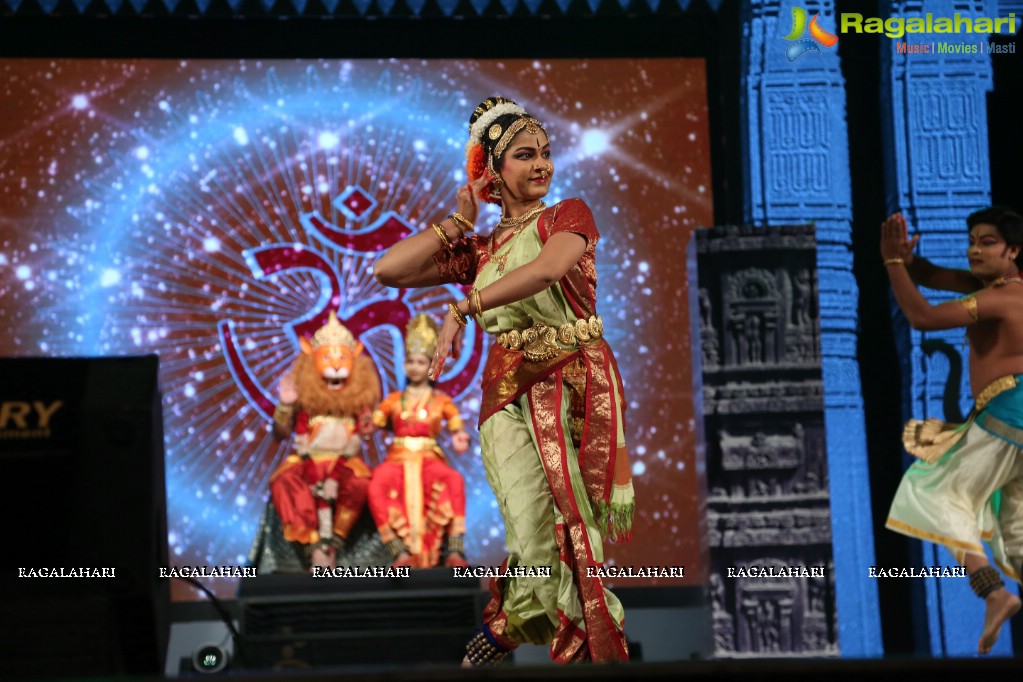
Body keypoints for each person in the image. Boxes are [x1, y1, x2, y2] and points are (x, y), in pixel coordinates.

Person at [374, 96, 635, 665]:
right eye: (524, 155)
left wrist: (464, 307)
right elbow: (387, 270)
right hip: (506, 395)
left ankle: (595, 651)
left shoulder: (567, 215)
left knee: (574, 526)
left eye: (545, 153)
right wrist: (457, 222)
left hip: (570, 383)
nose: (542, 164)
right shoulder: (482, 248)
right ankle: (518, 619)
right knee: (530, 532)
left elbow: (546, 269)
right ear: (493, 171)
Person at [881, 207, 1023, 654]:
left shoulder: (1004, 299)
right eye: (973, 240)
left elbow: (922, 316)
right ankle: (999, 589)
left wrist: (890, 262)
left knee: (932, 492)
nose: (974, 250)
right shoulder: (996, 288)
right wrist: (908, 260)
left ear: (1014, 250)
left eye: (987, 243)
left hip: (1010, 412)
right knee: (1016, 532)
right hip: (1009, 417)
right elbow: (935, 276)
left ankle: (994, 593)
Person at [270, 311, 381, 570]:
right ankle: (312, 546)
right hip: (307, 460)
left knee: (361, 481)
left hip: (344, 464)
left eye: (342, 358)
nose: (336, 365)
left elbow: (365, 431)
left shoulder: (357, 400)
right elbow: (280, 433)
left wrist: (371, 421)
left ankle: (334, 542)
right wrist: (285, 406)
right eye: (327, 358)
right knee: (284, 480)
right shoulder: (305, 398)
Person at [367, 313, 471, 569]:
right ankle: (399, 551)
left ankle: (455, 551)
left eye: (421, 362)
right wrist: (364, 422)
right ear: (404, 365)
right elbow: (373, 425)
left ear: (431, 365)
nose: (415, 367)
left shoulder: (441, 402)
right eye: (410, 361)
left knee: (454, 480)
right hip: (397, 458)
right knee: (376, 485)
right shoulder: (393, 400)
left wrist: (460, 437)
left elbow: (457, 428)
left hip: (429, 459)